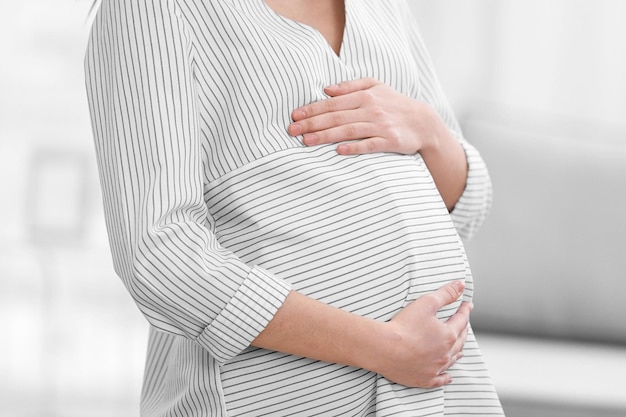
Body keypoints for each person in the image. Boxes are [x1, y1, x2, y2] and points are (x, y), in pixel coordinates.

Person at [85, 0, 504, 415]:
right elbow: (161, 255)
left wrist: (427, 128)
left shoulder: (383, 6)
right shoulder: (150, 9)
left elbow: (467, 207)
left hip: (438, 387)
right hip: (281, 395)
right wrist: (385, 347)